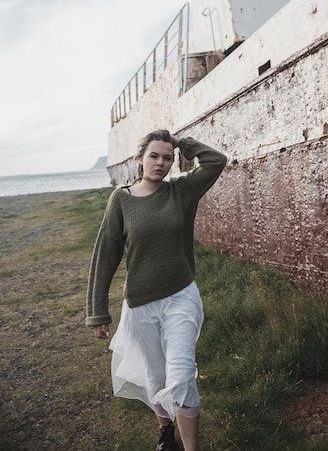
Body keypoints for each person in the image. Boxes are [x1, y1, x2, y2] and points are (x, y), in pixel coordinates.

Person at [86, 130, 227, 451]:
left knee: (181, 376)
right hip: (140, 307)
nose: (161, 163)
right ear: (140, 159)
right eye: (154, 156)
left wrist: (182, 143)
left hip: (181, 298)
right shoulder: (120, 200)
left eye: (167, 158)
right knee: (155, 379)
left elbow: (216, 161)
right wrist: (97, 310)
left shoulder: (182, 191)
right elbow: (106, 253)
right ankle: (166, 431)